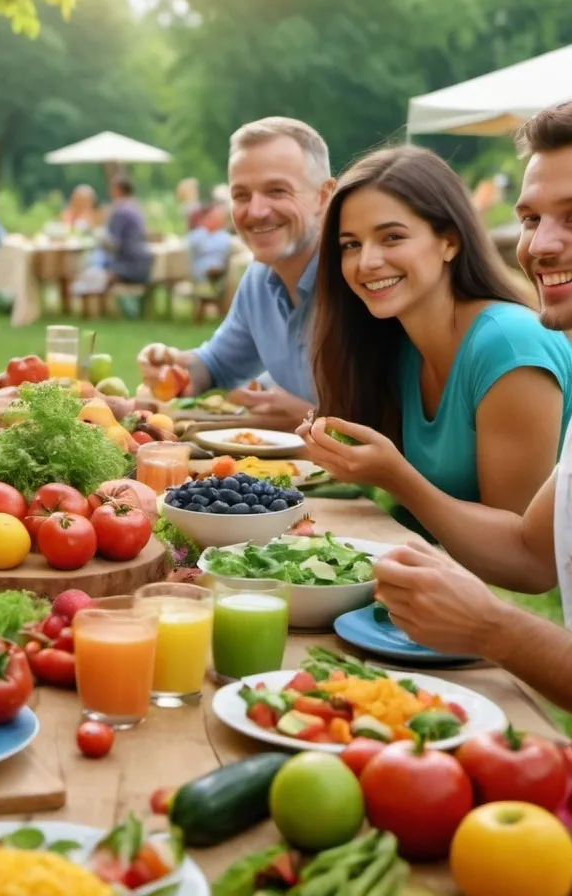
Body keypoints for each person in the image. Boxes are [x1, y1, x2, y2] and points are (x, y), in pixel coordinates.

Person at [367, 103, 572, 716]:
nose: (540, 244)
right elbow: (534, 556)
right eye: (531, 218)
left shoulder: (508, 343)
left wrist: (493, 628)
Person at [298, 145, 572, 540]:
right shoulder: (398, 342)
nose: (367, 262)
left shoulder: (509, 344)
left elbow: (524, 553)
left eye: (391, 237)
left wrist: (397, 477)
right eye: (350, 244)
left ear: (449, 242)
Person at [138, 117, 334, 425]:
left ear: (324, 196)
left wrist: (311, 418)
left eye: (277, 191)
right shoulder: (259, 277)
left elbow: (399, 420)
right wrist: (176, 369)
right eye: (241, 195)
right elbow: (217, 366)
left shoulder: (358, 280)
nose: (255, 211)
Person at [101, 175, 153, 285]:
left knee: (97, 265)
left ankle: (96, 301)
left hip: (128, 267)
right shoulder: (136, 208)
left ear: (118, 191)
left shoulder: (120, 211)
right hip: (145, 265)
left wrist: (98, 240)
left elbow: (113, 244)